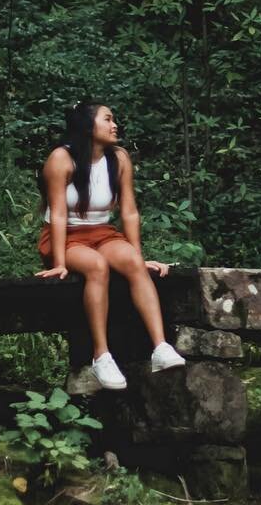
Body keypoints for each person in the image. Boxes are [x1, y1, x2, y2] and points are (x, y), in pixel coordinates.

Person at [35, 100, 185, 393]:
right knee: (96, 266)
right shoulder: (61, 159)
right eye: (108, 119)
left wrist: (138, 255)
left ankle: (160, 347)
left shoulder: (119, 158)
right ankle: (101, 355)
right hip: (65, 235)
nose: (114, 125)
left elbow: (129, 211)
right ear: (88, 126)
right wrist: (60, 261)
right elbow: (59, 213)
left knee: (131, 261)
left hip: (103, 232)